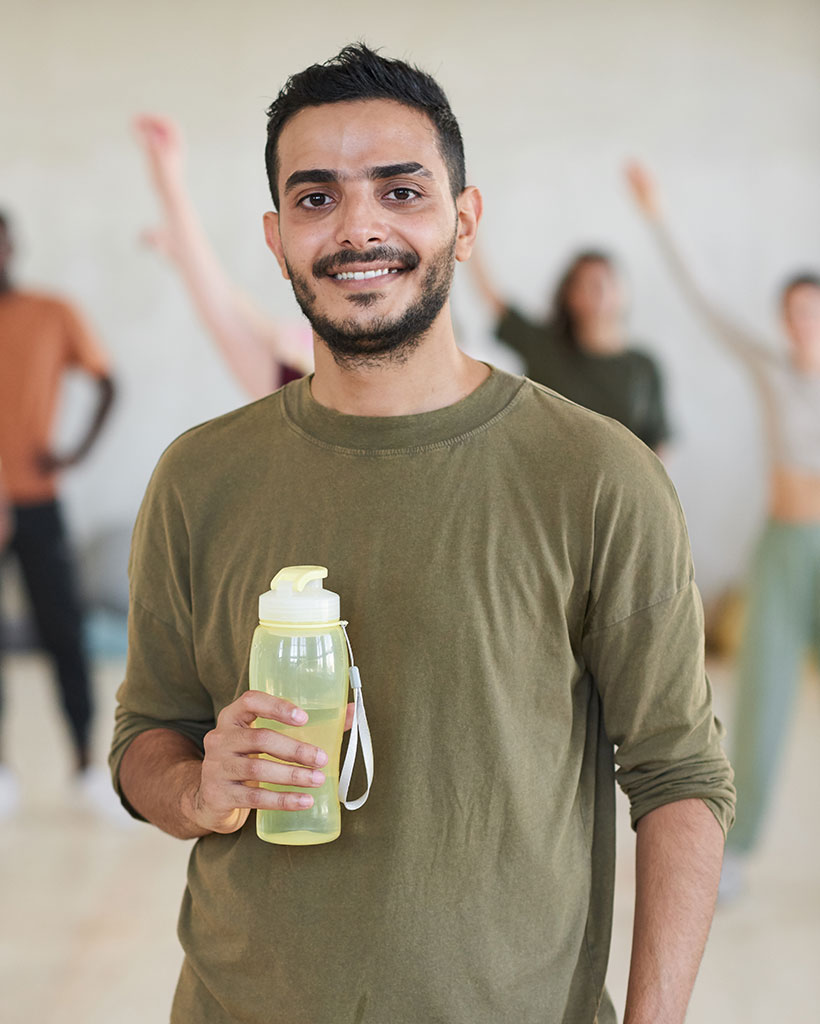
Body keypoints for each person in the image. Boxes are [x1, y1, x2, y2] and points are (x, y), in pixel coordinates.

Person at [110, 45, 735, 1024]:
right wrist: (197, 789)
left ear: (465, 220)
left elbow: (679, 775)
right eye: (316, 198)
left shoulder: (596, 474)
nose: (358, 226)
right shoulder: (200, 476)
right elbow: (147, 733)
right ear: (276, 238)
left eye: (400, 191)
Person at [627, 161, 820, 899]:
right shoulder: (770, 366)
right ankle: (735, 851)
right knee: (761, 698)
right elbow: (704, 295)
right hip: (785, 543)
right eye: (794, 312)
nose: (803, 324)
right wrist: (658, 213)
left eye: (813, 312)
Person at [0, 210, 116, 819]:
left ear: (11, 245)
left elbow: (107, 383)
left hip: (38, 500)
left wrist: (72, 453)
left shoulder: (51, 313)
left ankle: (84, 762)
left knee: (63, 631)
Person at [134, 113, 313, 399]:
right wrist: (168, 184)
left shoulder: (298, 377)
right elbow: (228, 313)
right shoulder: (297, 386)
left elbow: (231, 315)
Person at [470, 243, 670, 452]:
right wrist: (470, 232)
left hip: (621, 474)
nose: (600, 291)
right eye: (589, 284)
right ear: (570, 296)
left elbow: (657, 442)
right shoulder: (545, 348)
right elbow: (491, 297)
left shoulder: (644, 366)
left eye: (607, 281)